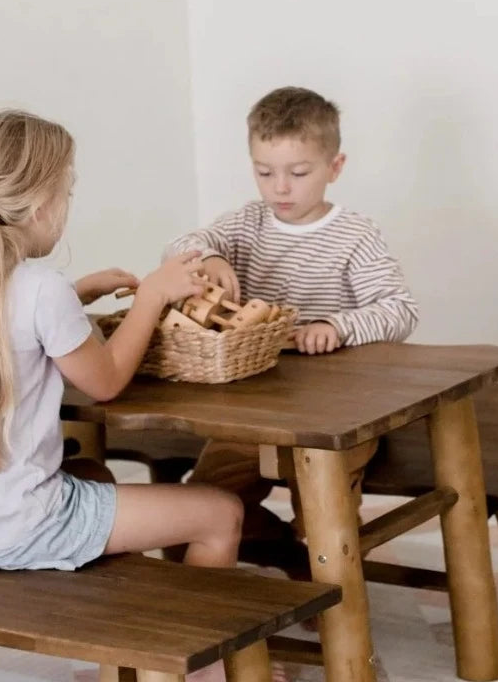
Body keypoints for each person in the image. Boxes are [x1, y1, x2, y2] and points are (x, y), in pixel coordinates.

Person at [0, 109, 286, 682]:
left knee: (89, 472)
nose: (68, 204)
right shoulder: (40, 289)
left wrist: (77, 291)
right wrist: (153, 296)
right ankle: (197, 666)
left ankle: (144, 614)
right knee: (220, 512)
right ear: (40, 207)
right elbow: (106, 380)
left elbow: (12, 320)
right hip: (20, 527)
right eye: (68, 191)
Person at [166, 87, 419, 546]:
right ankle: (264, 561)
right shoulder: (246, 224)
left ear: (334, 168)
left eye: (298, 173)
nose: (280, 187)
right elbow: (179, 246)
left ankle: (327, 587)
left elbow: (400, 310)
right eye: (265, 173)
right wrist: (208, 257)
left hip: (338, 413)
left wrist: (338, 326)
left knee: (325, 518)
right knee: (203, 499)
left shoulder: (355, 235)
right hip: (255, 410)